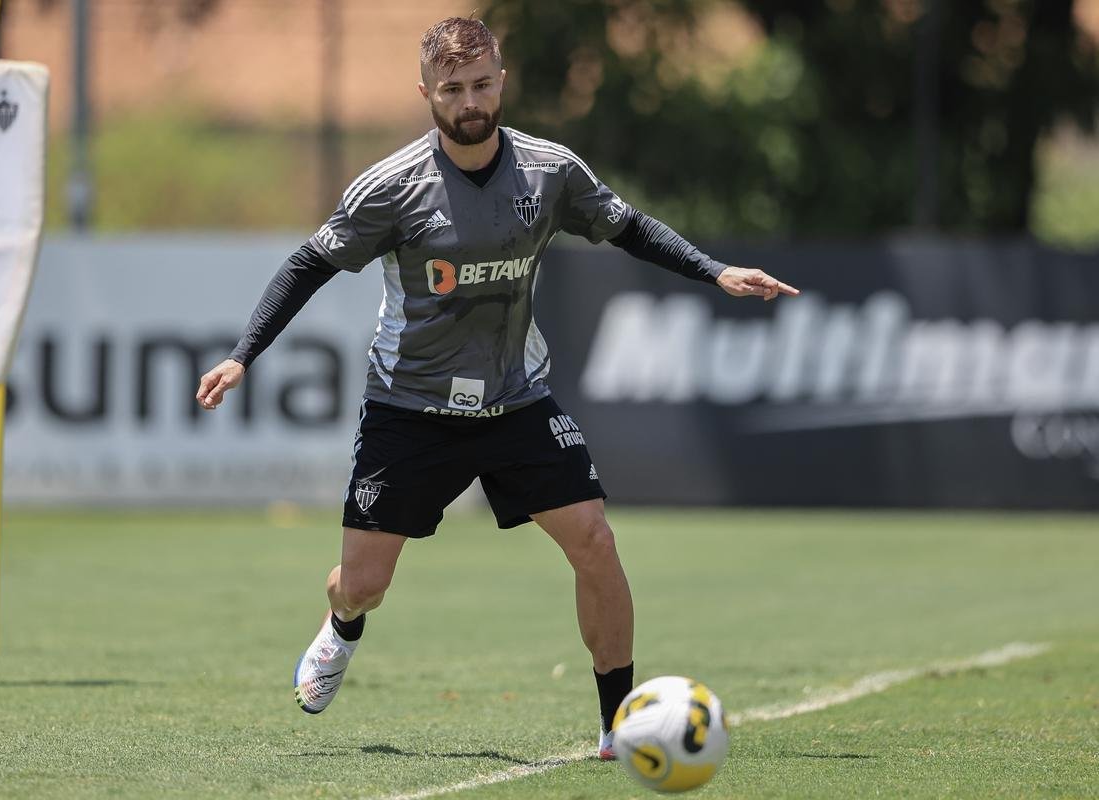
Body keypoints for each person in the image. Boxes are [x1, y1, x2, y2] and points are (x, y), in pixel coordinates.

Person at [195, 16, 798, 760]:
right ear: (427, 93)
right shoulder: (391, 187)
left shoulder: (549, 170)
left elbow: (627, 227)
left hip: (516, 400)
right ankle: (343, 624)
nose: (469, 100)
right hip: (408, 407)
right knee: (362, 583)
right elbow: (305, 266)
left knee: (594, 541)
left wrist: (714, 271)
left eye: (481, 83)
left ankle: (617, 725)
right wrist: (243, 355)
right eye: (452, 89)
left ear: (501, 80)